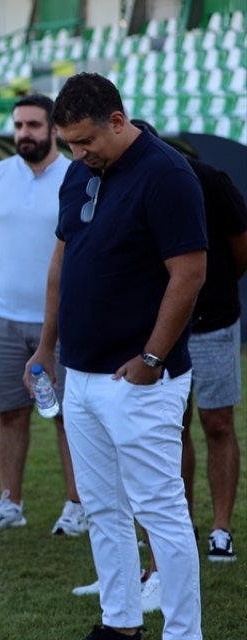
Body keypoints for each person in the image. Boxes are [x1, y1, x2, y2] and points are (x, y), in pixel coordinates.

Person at [28, 73, 206, 640]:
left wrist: (151, 360)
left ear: (118, 121)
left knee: (161, 513)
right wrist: (47, 345)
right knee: (104, 508)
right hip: (79, 375)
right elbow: (63, 263)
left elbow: (190, 272)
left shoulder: (167, 174)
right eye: (71, 144)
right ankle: (120, 622)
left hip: (140, 379)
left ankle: (183, 632)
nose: (78, 154)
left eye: (86, 142)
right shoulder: (79, 172)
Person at [0, 94, 85, 536]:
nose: (24, 134)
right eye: (19, 125)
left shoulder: (77, 175)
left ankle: (77, 504)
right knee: (10, 413)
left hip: (63, 320)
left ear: (54, 129)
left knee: (69, 417)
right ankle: (10, 502)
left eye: (34, 125)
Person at [178, 153, 244, 563]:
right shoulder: (117, 181)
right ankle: (180, 522)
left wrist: (213, 288)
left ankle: (222, 528)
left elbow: (241, 247)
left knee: (218, 423)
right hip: (160, 326)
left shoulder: (209, 180)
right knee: (171, 425)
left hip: (214, 321)